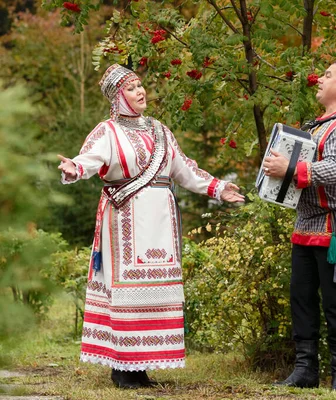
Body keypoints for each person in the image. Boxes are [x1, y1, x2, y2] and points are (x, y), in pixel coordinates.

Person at [58, 64, 244, 389]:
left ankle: (141, 365)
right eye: (131, 88)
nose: (140, 91)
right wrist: (74, 168)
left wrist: (217, 188)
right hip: (127, 220)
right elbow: (87, 160)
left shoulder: (160, 130)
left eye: (140, 85)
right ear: (118, 97)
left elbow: (183, 169)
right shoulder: (107, 132)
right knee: (128, 291)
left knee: (156, 291)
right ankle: (123, 367)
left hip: (161, 224)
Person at [263, 60, 336, 391]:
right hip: (307, 225)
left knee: (335, 302)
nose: (319, 80)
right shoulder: (320, 125)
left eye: (327, 75)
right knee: (302, 298)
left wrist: (291, 169)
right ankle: (305, 370)